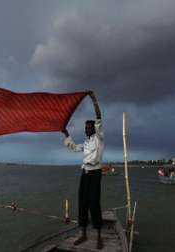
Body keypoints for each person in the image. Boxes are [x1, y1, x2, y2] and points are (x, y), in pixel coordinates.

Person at [62, 90, 104, 250]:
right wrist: (66, 133)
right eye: (85, 128)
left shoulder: (99, 138)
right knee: (82, 203)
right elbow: (73, 147)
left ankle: (99, 236)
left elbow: (99, 118)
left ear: (94, 129)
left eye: (88, 128)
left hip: (95, 174)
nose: (86, 130)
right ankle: (84, 234)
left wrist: (93, 100)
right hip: (85, 174)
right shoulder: (86, 143)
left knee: (94, 203)